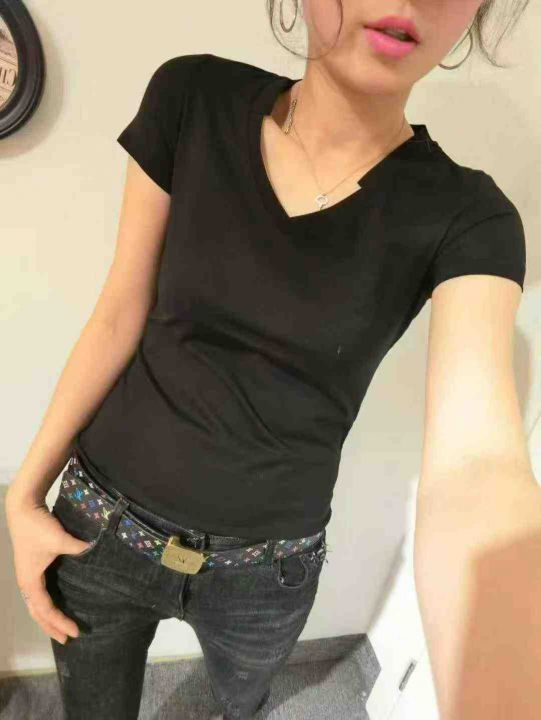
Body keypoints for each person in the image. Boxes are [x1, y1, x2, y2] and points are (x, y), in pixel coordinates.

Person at [5, 1, 535, 719]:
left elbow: (477, 466)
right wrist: (24, 496)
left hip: (264, 576)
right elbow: (118, 312)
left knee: (241, 709)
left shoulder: (469, 217)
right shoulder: (192, 97)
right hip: (99, 528)